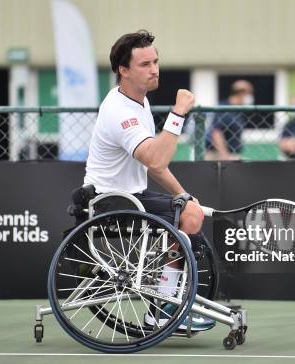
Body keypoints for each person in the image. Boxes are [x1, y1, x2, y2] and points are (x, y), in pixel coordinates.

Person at [83, 30, 215, 331]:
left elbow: (151, 164)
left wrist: (184, 194)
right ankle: (166, 306)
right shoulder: (120, 111)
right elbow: (157, 159)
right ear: (123, 70)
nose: (154, 69)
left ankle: (168, 297)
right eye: (144, 64)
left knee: (188, 209)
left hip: (130, 195)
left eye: (155, 61)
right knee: (190, 216)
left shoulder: (137, 102)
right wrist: (179, 112)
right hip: (111, 200)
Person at [204, 80, 255, 160]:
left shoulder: (239, 109)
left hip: (232, 153)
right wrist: (225, 155)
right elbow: (216, 133)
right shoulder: (224, 108)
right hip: (217, 155)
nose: (250, 97)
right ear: (241, 93)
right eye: (249, 93)